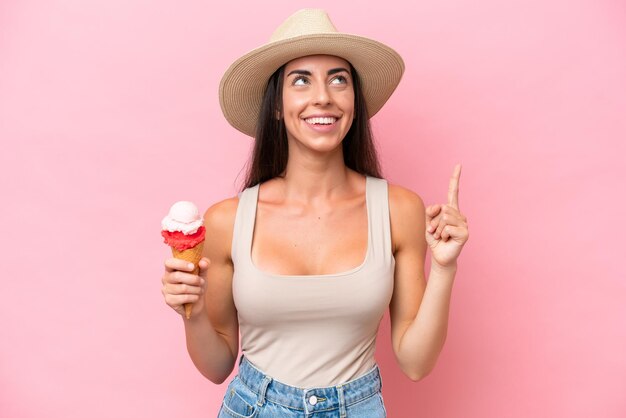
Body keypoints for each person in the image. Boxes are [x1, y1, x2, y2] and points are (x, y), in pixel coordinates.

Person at [161, 8, 469, 418]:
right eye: (301, 80)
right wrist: (193, 313)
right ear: (276, 105)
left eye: (338, 79)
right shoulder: (226, 221)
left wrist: (445, 268)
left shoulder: (398, 210)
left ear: (354, 102)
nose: (322, 96)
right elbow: (216, 367)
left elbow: (415, 363)